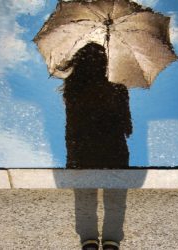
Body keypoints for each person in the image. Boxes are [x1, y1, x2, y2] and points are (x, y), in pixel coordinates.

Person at [63, 43, 132, 250]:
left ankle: (89, 241)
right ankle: (111, 241)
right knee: (115, 197)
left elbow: (71, 126)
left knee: (85, 198)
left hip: (82, 150)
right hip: (114, 149)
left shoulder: (72, 87)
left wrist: (71, 160)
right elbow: (128, 127)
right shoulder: (118, 85)